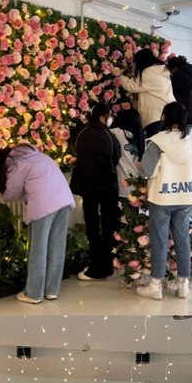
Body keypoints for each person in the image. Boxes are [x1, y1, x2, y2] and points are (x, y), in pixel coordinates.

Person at [136, 101, 192, 301]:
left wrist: (139, 165)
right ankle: (183, 285)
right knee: (183, 240)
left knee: (159, 241)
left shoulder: (157, 141)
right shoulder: (191, 142)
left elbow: (146, 171)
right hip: (184, 196)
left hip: (162, 197)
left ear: (164, 117)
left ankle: (155, 286)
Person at [0, 144, 75, 304]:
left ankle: (33, 293)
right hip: (64, 201)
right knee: (57, 247)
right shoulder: (40, 156)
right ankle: (52, 290)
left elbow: (12, 192)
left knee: (38, 249)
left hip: (44, 205)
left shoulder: (15, 162)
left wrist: (2, 197)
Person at [70, 102, 122, 281]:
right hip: (108, 186)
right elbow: (116, 157)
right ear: (102, 117)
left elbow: (76, 152)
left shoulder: (81, 132)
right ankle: (108, 266)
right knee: (109, 226)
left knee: (92, 227)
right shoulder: (109, 135)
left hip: (87, 186)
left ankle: (95, 267)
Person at [120, 48, 176, 138]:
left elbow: (131, 85)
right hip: (168, 115)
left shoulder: (149, 73)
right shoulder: (161, 71)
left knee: (155, 144)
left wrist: (120, 76)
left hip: (156, 117)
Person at [110, 108, 145, 198]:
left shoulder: (118, 133)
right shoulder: (141, 138)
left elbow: (103, 129)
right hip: (137, 186)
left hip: (122, 185)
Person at [167, 55, 192, 134]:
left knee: (176, 139)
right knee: (185, 139)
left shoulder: (179, 74)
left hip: (181, 115)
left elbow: (172, 93)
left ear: (174, 68)